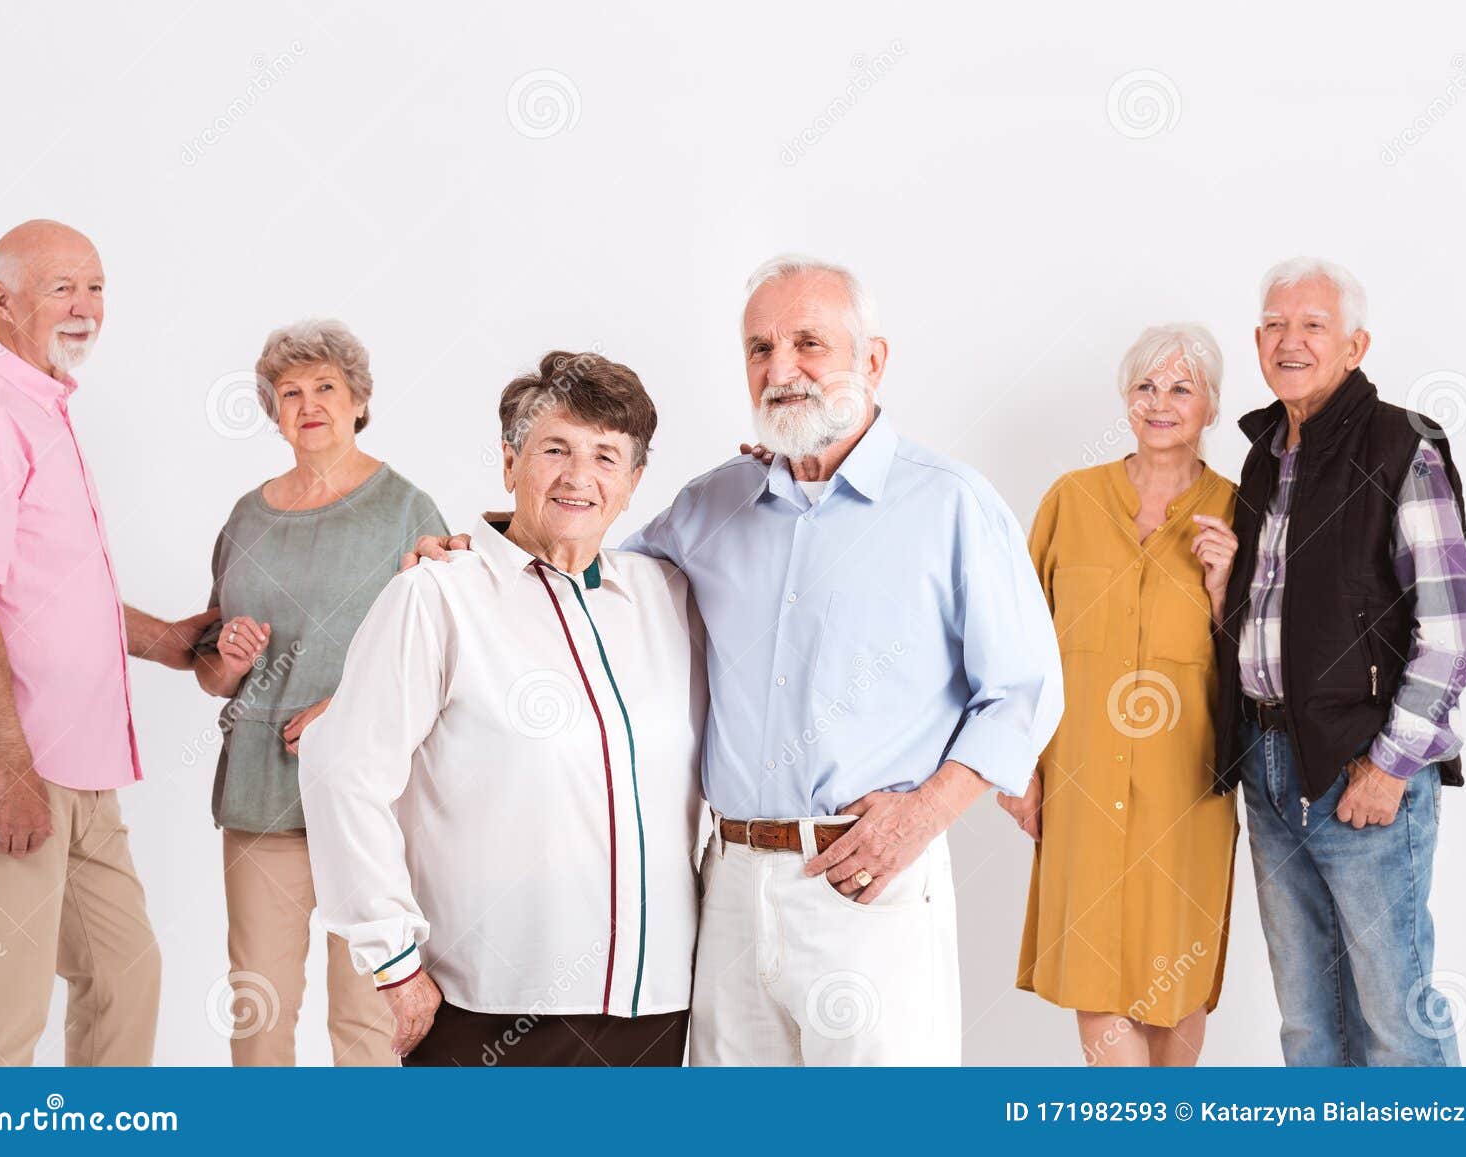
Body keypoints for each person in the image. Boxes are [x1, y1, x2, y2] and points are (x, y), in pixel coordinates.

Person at [408, 256, 1064, 1064]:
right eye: (760, 348)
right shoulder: (714, 502)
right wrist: (477, 559)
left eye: (808, 343)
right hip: (727, 886)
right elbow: (578, 577)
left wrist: (924, 813)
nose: (780, 370)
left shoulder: (951, 503)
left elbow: (1024, 689)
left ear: (873, 360)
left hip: (871, 881)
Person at [299, 351, 706, 1066]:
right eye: (555, 449)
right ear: (511, 462)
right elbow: (342, 773)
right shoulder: (438, 594)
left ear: (634, 480)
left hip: (657, 1007)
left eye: (605, 456)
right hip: (489, 1011)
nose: (579, 476)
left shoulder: (670, 598)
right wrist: (394, 963)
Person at [0, 219, 218, 1065]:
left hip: (81, 765)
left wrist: (170, 640)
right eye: (60, 288)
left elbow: (57, 597)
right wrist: (9, 768)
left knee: (125, 973)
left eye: (96, 286)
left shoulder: (40, 406)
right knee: (2, 1015)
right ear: (2, 299)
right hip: (16, 760)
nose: (84, 306)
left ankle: (94, 1126)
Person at [1214, 256, 1466, 1066]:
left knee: (1397, 1024)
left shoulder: (1402, 444)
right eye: (1275, 325)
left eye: (1313, 325)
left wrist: (1389, 767)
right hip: (1269, 766)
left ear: (1355, 345)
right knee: (1310, 1024)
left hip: (1363, 771)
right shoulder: (1264, 455)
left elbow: (1450, 632)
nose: (1289, 340)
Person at [192, 319, 448, 1066]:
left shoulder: (405, 510)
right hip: (261, 801)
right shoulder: (246, 517)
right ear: (273, 412)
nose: (308, 404)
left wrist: (345, 712)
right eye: (289, 392)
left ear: (358, 400)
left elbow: (439, 659)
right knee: (260, 1016)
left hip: (371, 808)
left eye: (325, 387)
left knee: (368, 1026)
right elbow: (212, 671)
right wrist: (228, 661)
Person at [1003, 324, 1239, 1065]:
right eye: (1146, 386)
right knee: (1095, 973)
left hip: (1187, 792)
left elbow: (1267, 668)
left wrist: (1224, 590)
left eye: (1181, 388)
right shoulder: (1070, 501)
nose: (1160, 403)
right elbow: (1015, 647)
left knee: (1177, 984)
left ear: (1211, 406)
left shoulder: (1241, 511)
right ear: (1126, 398)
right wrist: (1016, 768)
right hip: (1078, 787)